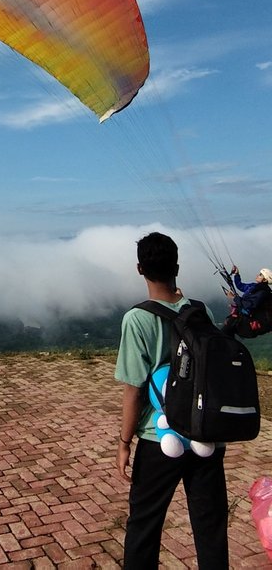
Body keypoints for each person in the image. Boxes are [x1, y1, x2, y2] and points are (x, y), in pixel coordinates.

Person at [115, 231, 229, 569]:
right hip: (204, 432)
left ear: (140, 269)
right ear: (177, 266)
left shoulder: (137, 319)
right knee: (210, 526)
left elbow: (133, 389)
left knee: (145, 524)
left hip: (157, 437)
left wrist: (124, 442)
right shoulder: (200, 310)